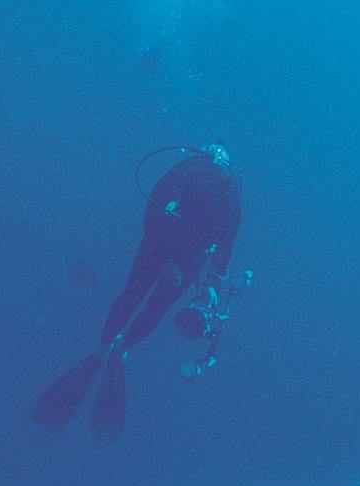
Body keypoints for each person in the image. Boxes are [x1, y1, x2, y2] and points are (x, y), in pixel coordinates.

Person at [34, 143, 242, 440]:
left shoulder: (186, 173)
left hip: (160, 246)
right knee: (154, 307)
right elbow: (225, 243)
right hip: (184, 256)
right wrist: (211, 282)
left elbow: (155, 211)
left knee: (132, 295)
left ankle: (107, 344)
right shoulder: (228, 189)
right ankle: (123, 348)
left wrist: (178, 261)